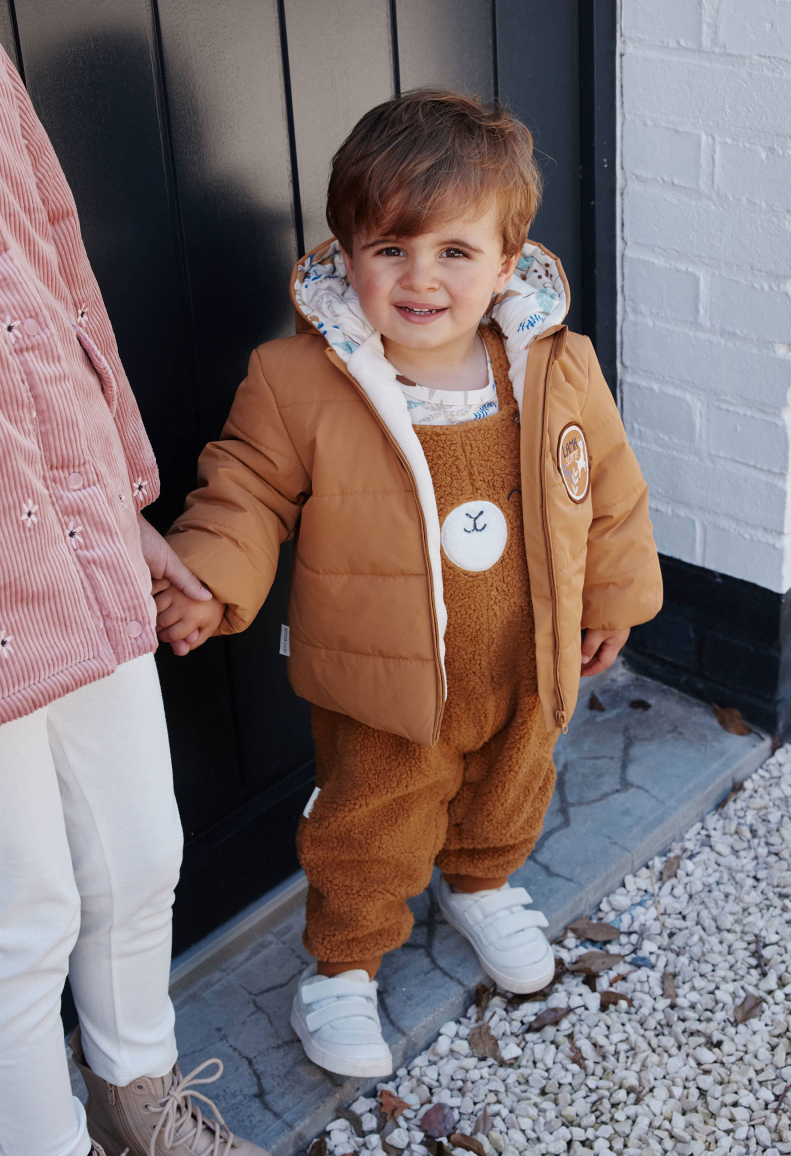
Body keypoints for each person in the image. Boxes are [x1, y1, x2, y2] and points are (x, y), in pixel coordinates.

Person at [158, 90, 662, 1079]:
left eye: (453, 252)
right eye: (389, 248)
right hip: (385, 681)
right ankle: (339, 968)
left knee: (513, 783)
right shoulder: (301, 380)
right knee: (369, 822)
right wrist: (211, 576)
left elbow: (607, 487)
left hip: (527, 656)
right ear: (346, 252)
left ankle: (479, 883)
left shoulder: (555, 367)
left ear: (506, 263)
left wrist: (613, 597)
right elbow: (246, 488)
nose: (419, 277)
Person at [0, 44, 268, 1156]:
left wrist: (123, 498)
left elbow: (60, 269)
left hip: (76, 538)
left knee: (141, 844)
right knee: (21, 921)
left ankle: (135, 1102)